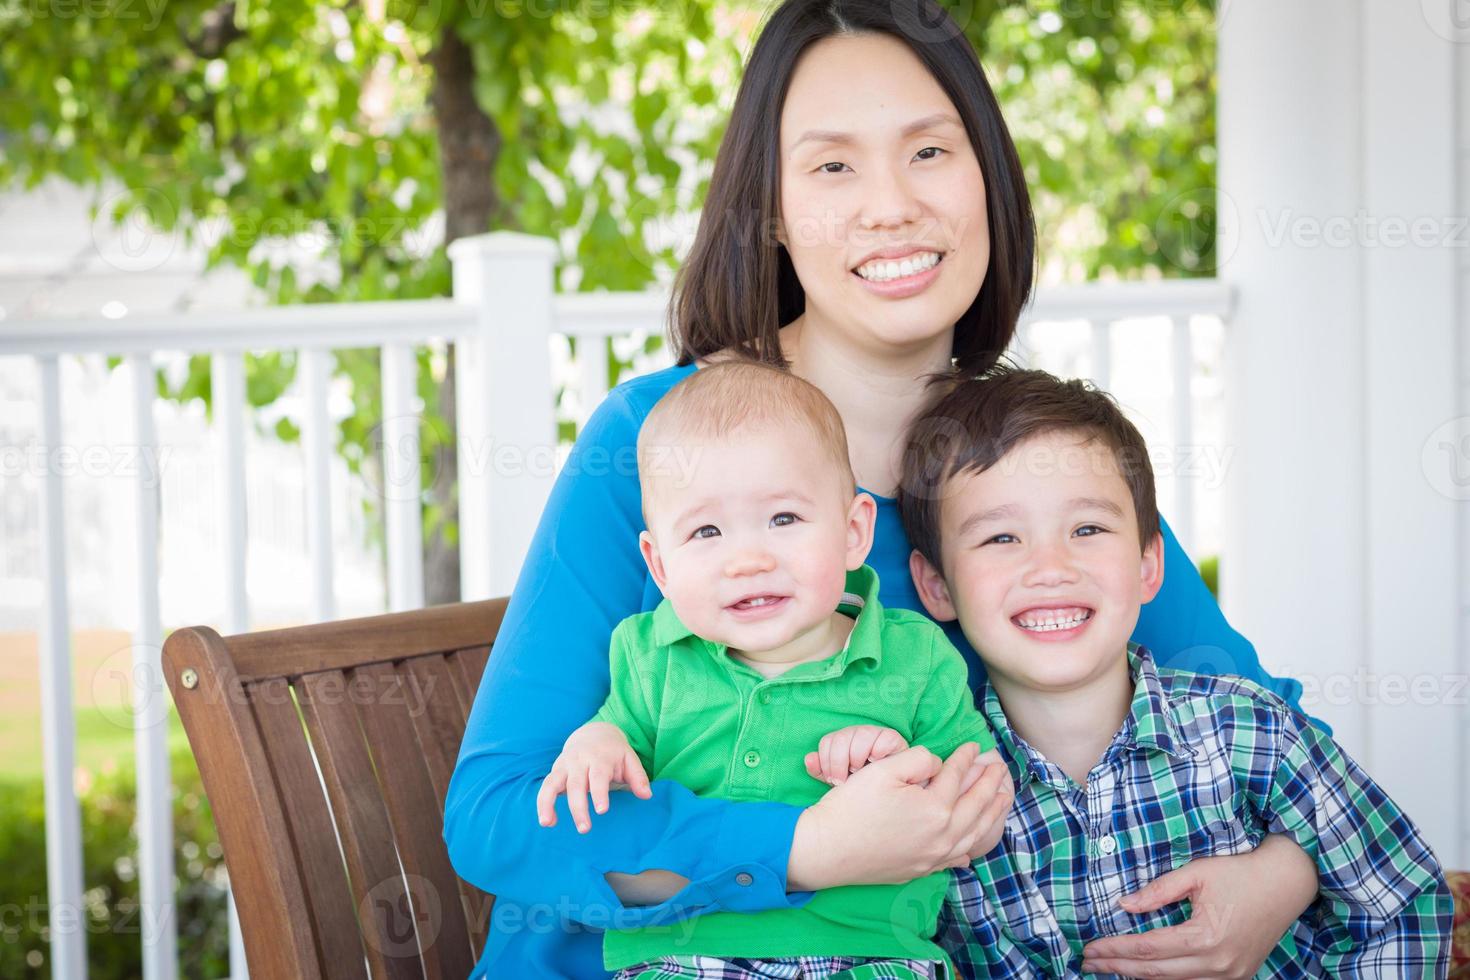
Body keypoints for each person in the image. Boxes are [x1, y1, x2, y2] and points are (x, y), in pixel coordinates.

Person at [443, 0, 1325, 976]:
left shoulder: (1039, 459)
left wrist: (1282, 874)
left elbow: (1271, 729)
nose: (892, 204)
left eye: (930, 153)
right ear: (771, 211)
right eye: (833, 165)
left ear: (988, 177)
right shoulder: (656, 443)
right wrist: (802, 851)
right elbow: (498, 817)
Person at [873, 367, 1450, 976]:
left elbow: (1404, 901)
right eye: (1000, 538)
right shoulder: (944, 799)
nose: (1050, 567)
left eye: (1087, 529)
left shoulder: (1253, 731)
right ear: (935, 587)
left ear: (1151, 565)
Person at [535, 361, 1010, 979]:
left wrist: (904, 768)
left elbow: (985, 800)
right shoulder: (649, 654)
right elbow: (611, 759)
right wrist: (593, 741)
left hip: (872, 956)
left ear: (853, 531)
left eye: (783, 519)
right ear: (660, 566)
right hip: (685, 959)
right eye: (706, 530)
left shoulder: (913, 658)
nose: (748, 559)